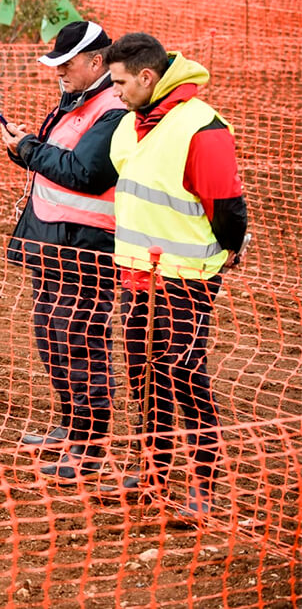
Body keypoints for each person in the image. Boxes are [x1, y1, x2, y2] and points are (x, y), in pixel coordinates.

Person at [104, 33, 248, 519]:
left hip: (188, 280)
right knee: (143, 377)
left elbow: (228, 208)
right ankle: (152, 475)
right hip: (137, 277)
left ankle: (202, 486)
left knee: (185, 377)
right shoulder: (129, 125)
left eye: (121, 82)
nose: (115, 91)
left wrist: (227, 253)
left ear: (147, 77)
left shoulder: (202, 127)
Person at [0, 21, 128, 481]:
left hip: (86, 248)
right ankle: (69, 426)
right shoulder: (77, 102)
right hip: (52, 241)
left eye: (65, 62)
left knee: (81, 342)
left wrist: (30, 149)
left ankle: (88, 450)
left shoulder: (112, 109)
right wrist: (24, 149)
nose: (57, 71)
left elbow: (85, 173)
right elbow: (59, 161)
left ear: (96, 62)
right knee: (52, 336)